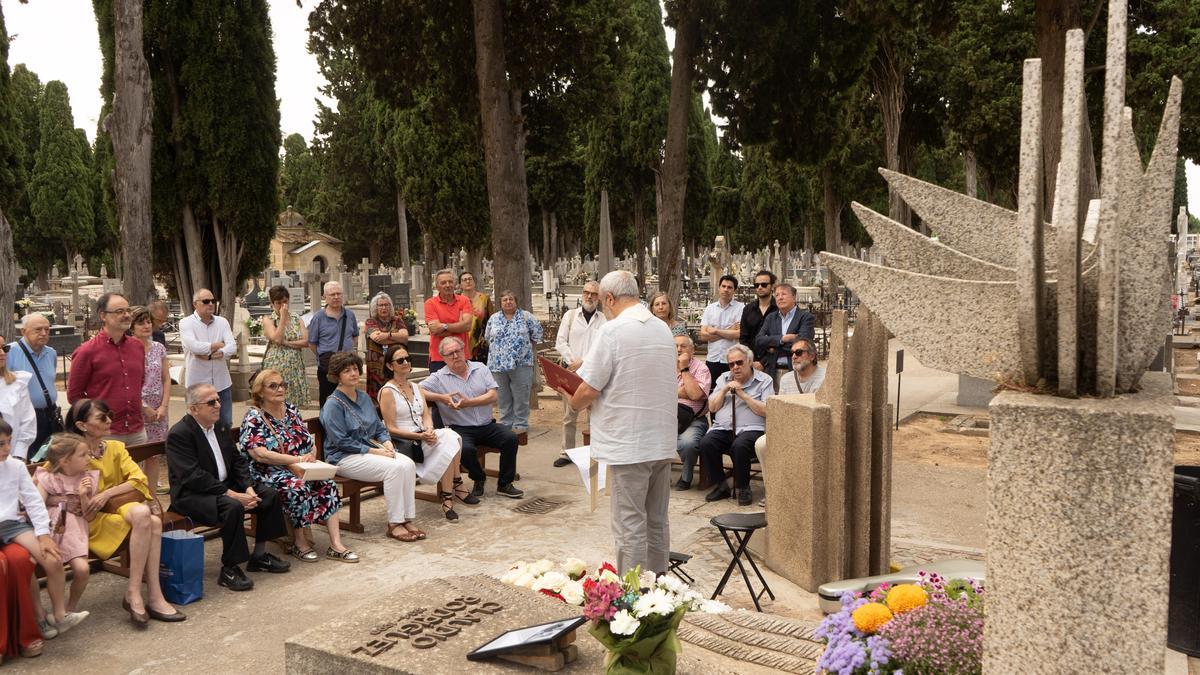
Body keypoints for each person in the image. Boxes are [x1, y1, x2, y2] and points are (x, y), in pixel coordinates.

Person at [560, 270, 677, 575]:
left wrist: (570, 396)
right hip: (661, 441)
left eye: (601, 302)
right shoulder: (662, 329)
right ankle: (660, 587)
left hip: (629, 444)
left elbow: (589, 388)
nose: (602, 309)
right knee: (656, 520)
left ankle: (633, 595)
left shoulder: (613, 332)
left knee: (629, 524)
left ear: (609, 298)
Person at [67, 398, 184, 623]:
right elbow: (45, 477)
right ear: (82, 425)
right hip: (89, 519)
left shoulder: (115, 447)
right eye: (102, 417)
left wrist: (106, 494)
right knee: (154, 522)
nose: (109, 420)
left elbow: (139, 480)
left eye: (109, 414)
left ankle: (137, 593)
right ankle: (151, 595)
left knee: (144, 515)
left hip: (116, 509)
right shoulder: (71, 453)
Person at [167, 384, 291, 592]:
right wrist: (234, 494)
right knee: (233, 506)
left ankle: (259, 556)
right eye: (211, 402)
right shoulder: (180, 434)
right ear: (194, 408)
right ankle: (230, 568)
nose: (218, 405)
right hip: (192, 495)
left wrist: (249, 488)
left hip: (223, 486)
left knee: (268, 495)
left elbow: (237, 461)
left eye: (218, 400)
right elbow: (192, 476)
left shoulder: (220, 426)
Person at [239, 369, 357, 564]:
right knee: (297, 487)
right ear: (260, 392)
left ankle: (336, 544)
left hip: (301, 466)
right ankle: (300, 543)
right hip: (269, 472)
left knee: (327, 484)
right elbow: (259, 454)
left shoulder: (291, 410)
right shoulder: (254, 417)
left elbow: (309, 442)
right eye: (273, 386)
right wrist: (295, 460)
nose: (280, 389)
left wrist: (311, 454)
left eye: (282, 385)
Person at [319, 352, 424, 542]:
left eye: (355, 369)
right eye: (347, 370)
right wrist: (376, 451)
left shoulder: (364, 397)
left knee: (408, 464)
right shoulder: (333, 404)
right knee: (394, 469)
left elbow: (377, 426)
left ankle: (407, 519)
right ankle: (394, 523)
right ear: (337, 376)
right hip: (343, 457)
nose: (353, 373)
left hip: (371, 450)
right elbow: (340, 441)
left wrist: (387, 442)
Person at [378, 345, 478, 522]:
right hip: (407, 442)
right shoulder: (387, 391)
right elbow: (391, 428)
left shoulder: (417, 387)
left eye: (408, 359)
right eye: (400, 360)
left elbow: (426, 415)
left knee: (452, 436)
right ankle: (454, 490)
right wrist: (420, 436)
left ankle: (450, 493)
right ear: (389, 366)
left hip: (424, 436)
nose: (406, 363)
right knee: (449, 445)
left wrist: (429, 429)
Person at [420, 337, 524, 499]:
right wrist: (442, 397)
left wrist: (469, 403)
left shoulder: (480, 368)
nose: (455, 356)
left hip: (487, 425)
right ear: (443, 358)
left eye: (458, 351)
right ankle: (478, 478)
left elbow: (493, 395)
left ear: (464, 351)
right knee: (465, 450)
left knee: (510, 438)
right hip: (460, 428)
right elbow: (416, 390)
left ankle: (504, 483)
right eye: (450, 354)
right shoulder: (439, 377)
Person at [0, 419, 55, 658]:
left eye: (9, 442)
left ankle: (25, 633)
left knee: (22, 560)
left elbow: (33, 500)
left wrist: (43, 533)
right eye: (1, 444)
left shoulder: (15, 466)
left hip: (11, 528)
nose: (7, 449)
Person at [31, 433, 95, 635]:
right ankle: (42, 613)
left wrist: (83, 496)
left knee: (82, 570)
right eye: (83, 455)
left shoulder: (87, 479)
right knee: (36, 563)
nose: (88, 458)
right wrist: (54, 499)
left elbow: (89, 514)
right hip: (49, 529)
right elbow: (37, 505)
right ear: (65, 461)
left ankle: (69, 610)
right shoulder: (48, 478)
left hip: (74, 529)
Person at [67, 292, 147, 447]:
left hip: (136, 430)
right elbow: (75, 396)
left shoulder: (137, 346)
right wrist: (94, 422)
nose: (126, 315)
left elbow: (139, 382)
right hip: (105, 434)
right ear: (103, 316)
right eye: (119, 311)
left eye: (128, 311)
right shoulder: (86, 351)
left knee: (136, 472)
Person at [698, 344, 774, 506]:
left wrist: (743, 395)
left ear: (750, 361)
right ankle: (721, 485)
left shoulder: (764, 380)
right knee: (706, 442)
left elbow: (767, 410)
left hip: (752, 429)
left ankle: (743, 487)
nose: (735, 367)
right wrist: (724, 389)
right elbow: (712, 407)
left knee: (739, 446)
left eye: (739, 363)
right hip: (723, 428)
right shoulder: (723, 378)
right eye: (731, 364)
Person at [754, 338, 825, 507]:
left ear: (812, 356)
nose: (794, 356)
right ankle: (772, 490)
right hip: (789, 428)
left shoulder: (825, 378)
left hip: (813, 430)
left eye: (799, 353)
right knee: (761, 444)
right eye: (791, 353)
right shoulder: (786, 379)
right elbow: (781, 407)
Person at [552, 281, 605, 467]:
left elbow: (602, 347)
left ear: (599, 297)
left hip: (593, 374)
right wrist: (572, 360)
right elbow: (560, 341)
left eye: (593, 294)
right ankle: (567, 452)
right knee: (569, 415)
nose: (589, 296)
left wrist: (583, 362)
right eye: (586, 293)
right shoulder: (570, 316)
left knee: (594, 415)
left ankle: (595, 452)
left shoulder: (604, 320)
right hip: (572, 373)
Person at [484, 290, 543, 444]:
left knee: (521, 395)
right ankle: (506, 424)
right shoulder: (494, 318)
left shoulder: (526, 317)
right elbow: (488, 337)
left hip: (521, 364)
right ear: (500, 303)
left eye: (511, 299)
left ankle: (521, 424)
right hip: (497, 365)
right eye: (505, 300)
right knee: (503, 396)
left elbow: (536, 335)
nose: (508, 302)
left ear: (516, 302)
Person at [179, 289, 237, 428]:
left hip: (221, 383)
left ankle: (224, 450)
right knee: (198, 425)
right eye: (206, 301)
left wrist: (213, 355)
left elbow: (232, 347)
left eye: (213, 301)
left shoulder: (222, 322)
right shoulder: (186, 323)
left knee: (225, 423)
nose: (210, 304)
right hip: (197, 385)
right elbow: (194, 347)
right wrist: (218, 345)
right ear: (195, 304)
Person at [129, 307, 170, 496]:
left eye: (148, 322)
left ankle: (151, 497)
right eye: (141, 322)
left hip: (159, 409)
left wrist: (163, 406)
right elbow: (126, 384)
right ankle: (135, 497)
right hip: (137, 408)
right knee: (135, 457)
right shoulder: (128, 349)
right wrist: (144, 408)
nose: (146, 326)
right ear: (131, 327)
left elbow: (166, 378)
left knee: (153, 455)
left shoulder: (158, 348)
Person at [6, 315, 59, 454]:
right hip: (25, 420)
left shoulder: (51, 353)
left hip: (50, 415)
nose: (43, 333)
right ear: (23, 332)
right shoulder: (9, 353)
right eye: (38, 329)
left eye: (47, 329)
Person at [309, 280, 360, 406]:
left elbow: (355, 336)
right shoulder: (318, 318)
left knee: (349, 401)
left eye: (339, 294)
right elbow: (312, 343)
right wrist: (324, 357)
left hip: (347, 366)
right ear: (324, 297)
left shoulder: (350, 315)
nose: (336, 297)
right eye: (332, 294)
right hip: (327, 368)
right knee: (327, 401)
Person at [753, 283, 816, 385]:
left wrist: (772, 346)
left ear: (794, 297)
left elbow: (803, 343)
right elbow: (759, 340)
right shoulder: (771, 318)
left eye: (783, 294)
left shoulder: (805, 317)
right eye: (777, 295)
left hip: (795, 370)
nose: (780, 298)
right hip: (772, 371)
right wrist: (782, 339)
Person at [261, 286, 310, 407]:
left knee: (294, 403)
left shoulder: (296, 318)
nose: (282, 306)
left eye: (285, 302)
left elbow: (306, 341)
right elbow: (277, 338)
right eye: (278, 303)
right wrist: (282, 318)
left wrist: (287, 343)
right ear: (272, 303)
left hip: (295, 365)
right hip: (277, 364)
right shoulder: (269, 320)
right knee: (277, 398)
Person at [673, 334, 711, 491]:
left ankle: (686, 476)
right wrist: (681, 391)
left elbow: (695, 395)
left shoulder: (701, 368)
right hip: (667, 417)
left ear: (692, 350)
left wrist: (684, 368)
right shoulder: (663, 366)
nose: (679, 349)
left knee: (687, 444)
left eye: (683, 346)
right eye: (675, 346)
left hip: (693, 419)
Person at [424, 269, 473, 373]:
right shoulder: (430, 303)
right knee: (439, 389)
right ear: (437, 286)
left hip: (461, 355)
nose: (447, 285)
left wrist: (444, 326)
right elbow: (435, 330)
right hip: (439, 357)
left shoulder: (464, 301)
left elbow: (468, 326)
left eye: (450, 282)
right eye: (443, 282)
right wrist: (459, 326)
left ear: (455, 284)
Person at [699, 275, 744, 384]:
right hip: (712, 359)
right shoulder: (710, 309)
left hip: (731, 360)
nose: (726, 289)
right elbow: (703, 336)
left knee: (731, 393)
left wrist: (715, 331)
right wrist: (729, 330)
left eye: (729, 287)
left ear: (735, 290)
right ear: (719, 288)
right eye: (723, 286)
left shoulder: (741, 308)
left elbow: (738, 334)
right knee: (712, 393)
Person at [363, 292, 409, 400]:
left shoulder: (397, 320)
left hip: (395, 366)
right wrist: (396, 338)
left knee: (397, 396)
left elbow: (405, 337)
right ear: (375, 307)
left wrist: (387, 335)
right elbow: (377, 339)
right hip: (376, 369)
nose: (384, 307)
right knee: (377, 399)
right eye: (381, 305)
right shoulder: (370, 322)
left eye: (386, 305)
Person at [0, 338, 36, 462]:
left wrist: (19, 455)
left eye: (4, 348)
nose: (2, 353)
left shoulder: (17, 383)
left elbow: (28, 421)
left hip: (11, 457)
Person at [740, 270, 777, 364]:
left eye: (764, 284)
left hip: (773, 361)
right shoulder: (748, 309)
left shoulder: (779, 309)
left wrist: (763, 362)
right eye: (757, 285)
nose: (760, 287)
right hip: (751, 362)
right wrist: (751, 360)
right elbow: (744, 338)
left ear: (772, 286)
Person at [458, 271, 493, 361]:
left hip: (480, 345)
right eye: (464, 280)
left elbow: (491, 320)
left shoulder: (484, 299)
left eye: (470, 279)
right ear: (460, 284)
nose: (468, 281)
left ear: (474, 282)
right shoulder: (456, 300)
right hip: (461, 342)